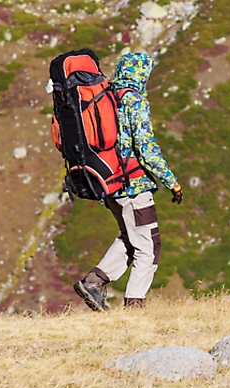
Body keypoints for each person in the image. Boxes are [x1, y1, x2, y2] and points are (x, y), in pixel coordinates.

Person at [73, 52, 183, 311]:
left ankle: (94, 281)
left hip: (109, 184)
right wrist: (171, 181)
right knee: (148, 247)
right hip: (134, 186)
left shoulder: (107, 98)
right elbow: (146, 148)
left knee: (130, 237)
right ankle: (135, 309)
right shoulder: (134, 101)